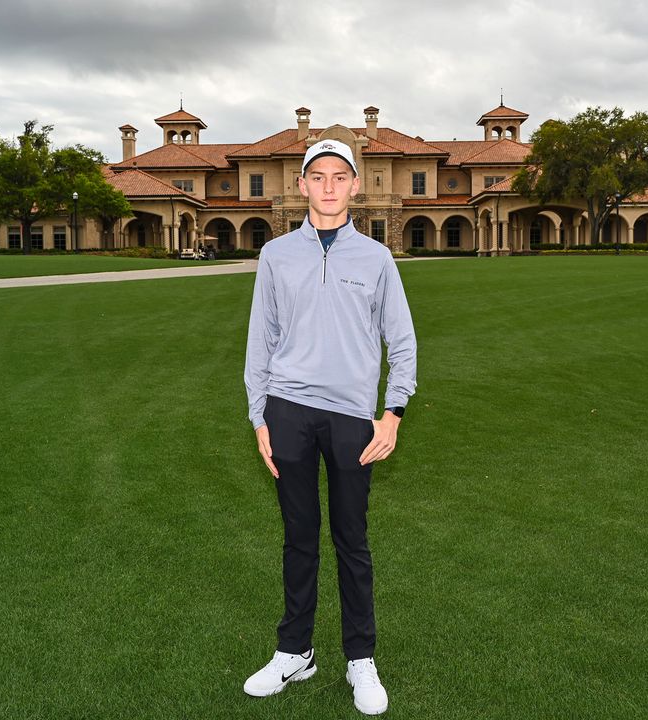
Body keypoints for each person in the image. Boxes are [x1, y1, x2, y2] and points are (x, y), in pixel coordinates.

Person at [241, 139, 417, 715]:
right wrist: (259, 415)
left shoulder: (376, 258)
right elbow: (260, 339)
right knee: (298, 538)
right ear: (303, 185)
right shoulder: (276, 255)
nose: (329, 186)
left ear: (355, 185)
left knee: (351, 540)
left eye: (340, 176)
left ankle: (360, 659)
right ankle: (294, 651)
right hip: (288, 408)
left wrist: (393, 412)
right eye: (318, 177)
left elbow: (403, 339)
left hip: (350, 415)